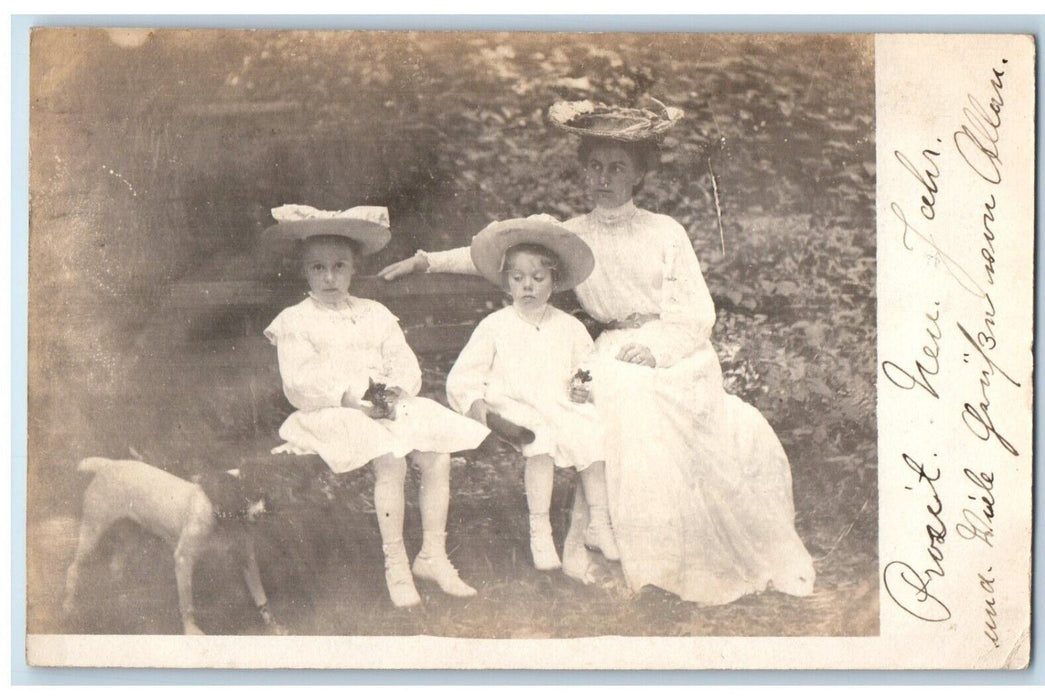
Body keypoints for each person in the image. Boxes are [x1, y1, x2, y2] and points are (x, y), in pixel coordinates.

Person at [378, 102, 816, 606]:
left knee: (641, 391)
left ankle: (647, 544)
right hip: (609, 347)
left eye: (617, 168)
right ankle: (613, 542)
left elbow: (696, 313)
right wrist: (427, 261)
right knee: (611, 389)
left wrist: (658, 349)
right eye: (595, 166)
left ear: (640, 175)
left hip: (677, 352)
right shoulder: (572, 234)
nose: (603, 178)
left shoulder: (665, 231)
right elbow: (501, 254)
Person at [262, 204, 489, 608]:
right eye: (318, 268)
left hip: (382, 406)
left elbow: (402, 361)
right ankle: (396, 564)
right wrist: (350, 398)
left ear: (354, 269)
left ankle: (432, 556)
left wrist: (395, 392)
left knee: (436, 453)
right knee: (390, 459)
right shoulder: (295, 320)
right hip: (330, 412)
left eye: (339, 266)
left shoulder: (376, 313)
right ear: (304, 271)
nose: (330, 277)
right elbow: (299, 382)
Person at [446, 219, 619, 571]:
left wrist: (583, 385)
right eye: (518, 278)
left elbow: (587, 366)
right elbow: (464, 375)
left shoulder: (569, 327)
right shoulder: (495, 326)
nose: (528, 286)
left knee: (591, 431)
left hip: (556, 400)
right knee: (539, 439)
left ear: (554, 282)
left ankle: (598, 524)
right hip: (512, 404)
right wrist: (475, 403)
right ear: (507, 282)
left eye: (538, 279)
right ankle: (539, 529)